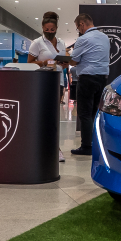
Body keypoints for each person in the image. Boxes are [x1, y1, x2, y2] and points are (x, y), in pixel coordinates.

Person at [67, 13, 109, 156]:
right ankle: (96, 143)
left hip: (87, 78)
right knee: (94, 113)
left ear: (82, 24)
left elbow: (74, 60)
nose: (79, 30)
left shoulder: (83, 39)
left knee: (84, 113)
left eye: (77, 27)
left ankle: (86, 146)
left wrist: (67, 59)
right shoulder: (105, 37)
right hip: (102, 78)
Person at [28, 12, 67, 162]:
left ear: (56, 28)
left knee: (54, 116)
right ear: (42, 28)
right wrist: (44, 62)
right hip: (43, 82)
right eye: (47, 29)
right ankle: (45, 147)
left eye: (52, 29)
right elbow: (29, 63)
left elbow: (63, 65)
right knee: (44, 115)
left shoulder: (61, 42)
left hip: (58, 81)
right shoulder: (37, 43)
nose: (50, 32)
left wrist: (64, 64)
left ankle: (54, 148)